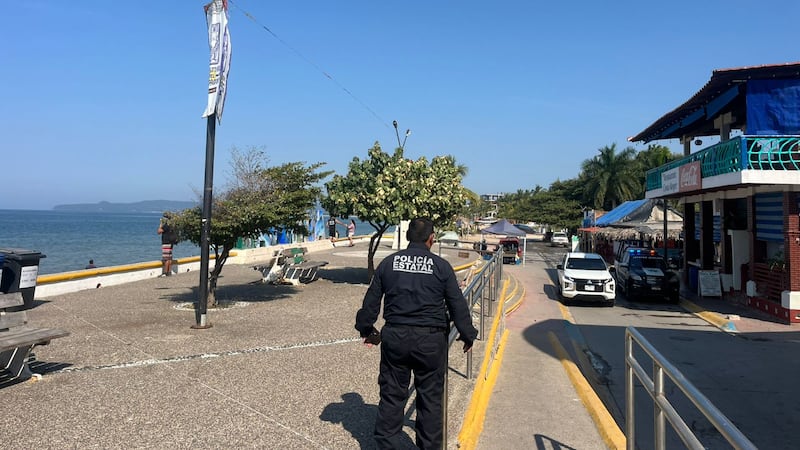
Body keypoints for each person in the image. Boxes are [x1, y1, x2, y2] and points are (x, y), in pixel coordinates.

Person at [355, 217, 478, 449]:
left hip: (395, 338)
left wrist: (367, 329)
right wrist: (467, 334)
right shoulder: (441, 266)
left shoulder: (389, 263)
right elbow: (457, 305)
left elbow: (371, 301)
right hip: (431, 341)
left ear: (408, 237)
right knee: (430, 401)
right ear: (432, 238)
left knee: (392, 397)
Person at [157, 212, 177, 277]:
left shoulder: (166, 225)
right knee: (169, 258)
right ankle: (169, 272)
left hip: (166, 243)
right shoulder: (172, 225)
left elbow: (159, 231)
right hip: (171, 243)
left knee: (165, 258)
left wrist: (160, 225)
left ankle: (165, 272)